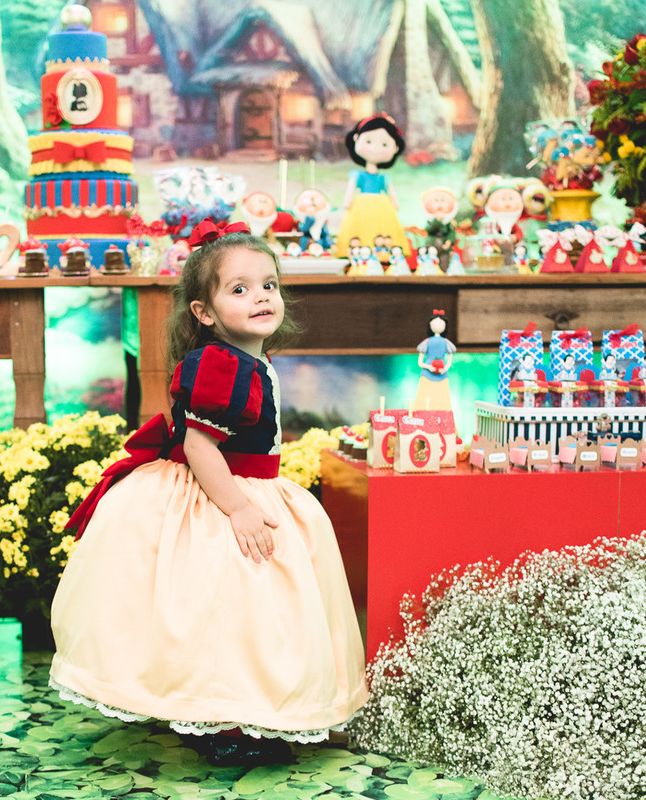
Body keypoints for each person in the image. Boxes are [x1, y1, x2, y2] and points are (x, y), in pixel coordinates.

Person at [51, 221, 367, 767]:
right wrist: (239, 508)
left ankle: (250, 709)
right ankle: (219, 716)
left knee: (251, 612)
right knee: (222, 604)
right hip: (218, 493)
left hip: (247, 483)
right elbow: (199, 446)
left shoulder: (251, 359)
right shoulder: (221, 363)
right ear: (204, 312)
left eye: (268, 285)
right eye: (239, 289)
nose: (261, 297)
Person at [334, 114, 410, 258]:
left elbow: (391, 193)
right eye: (368, 141)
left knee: (383, 231)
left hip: (383, 207)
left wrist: (395, 203)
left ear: (395, 148)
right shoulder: (357, 175)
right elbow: (350, 190)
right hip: (361, 206)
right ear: (356, 139)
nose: (375, 149)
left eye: (384, 145)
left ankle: (383, 254)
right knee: (362, 229)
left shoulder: (383, 177)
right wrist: (347, 201)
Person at [410, 310, 456, 412]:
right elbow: (420, 363)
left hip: (442, 376)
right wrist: (429, 367)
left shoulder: (446, 343)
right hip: (427, 375)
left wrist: (445, 369)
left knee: (442, 401)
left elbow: (449, 361)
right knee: (424, 400)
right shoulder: (426, 342)